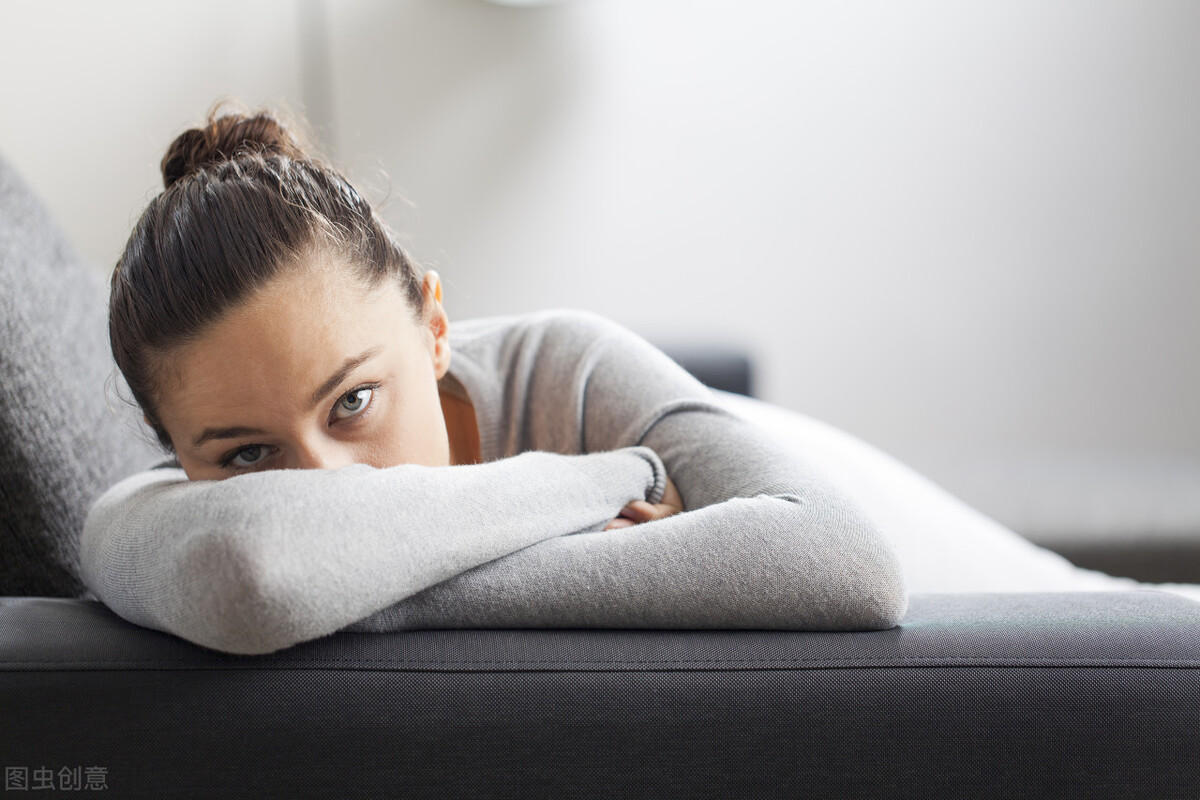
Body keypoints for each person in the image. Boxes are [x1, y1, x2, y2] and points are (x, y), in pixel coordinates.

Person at [82, 106, 907, 655]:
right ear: (173, 455)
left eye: (354, 403)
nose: (327, 487)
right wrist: (601, 489)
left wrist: (353, 585)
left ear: (434, 328)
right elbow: (250, 579)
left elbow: (856, 565)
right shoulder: (155, 519)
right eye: (250, 458)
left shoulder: (570, 368)